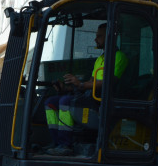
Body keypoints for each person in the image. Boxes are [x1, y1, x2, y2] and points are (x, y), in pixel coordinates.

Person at [44, 23, 128, 156]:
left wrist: (81, 84)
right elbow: (92, 82)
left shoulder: (118, 57)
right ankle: (57, 142)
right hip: (90, 96)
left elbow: (109, 82)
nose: (96, 39)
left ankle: (66, 145)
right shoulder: (100, 59)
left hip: (101, 102)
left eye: (99, 36)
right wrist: (68, 87)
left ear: (110, 36)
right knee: (51, 102)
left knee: (65, 102)